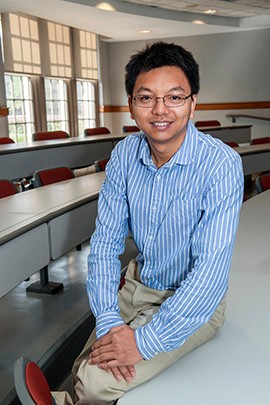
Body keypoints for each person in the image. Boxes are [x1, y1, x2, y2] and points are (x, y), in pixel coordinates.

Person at [17, 41, 244, 404]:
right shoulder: (124, 154)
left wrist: (143, 342)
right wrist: (108, 321)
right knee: (82, 366)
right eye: (146, 98)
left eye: (174, 97)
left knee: (96, 382)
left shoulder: (221, 165)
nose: (160, 110)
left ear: (193, 102)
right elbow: (105, 244)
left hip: (191, 304)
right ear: (131, 106)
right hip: (137, 285)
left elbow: (209, 274)